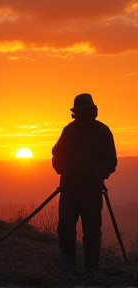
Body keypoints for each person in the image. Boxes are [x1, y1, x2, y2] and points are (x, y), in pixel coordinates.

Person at [52, 93, 117, 275]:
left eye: (85, 112)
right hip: (70, 186)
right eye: (79, 112)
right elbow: (57, 154)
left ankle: (91, 266)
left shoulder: (103, 132)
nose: (82, 115)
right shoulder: (68, 131)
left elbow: (110, 161)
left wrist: (100, 173)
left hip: (91, 187)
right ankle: (67, 261)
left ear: (93, 111)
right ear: (75, 113)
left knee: (91, 228)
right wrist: (62, 168)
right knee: (65, 224)